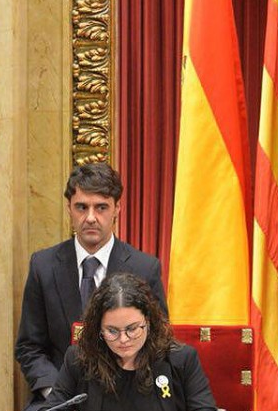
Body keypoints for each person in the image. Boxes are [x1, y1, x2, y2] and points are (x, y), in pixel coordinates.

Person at [16, 163, 169, 409]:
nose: (90, 218)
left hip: (124, 398)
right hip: (57, 397)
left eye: (101, 208)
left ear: (117, 208)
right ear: (69, 209)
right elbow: (29, 347)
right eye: (81, 207)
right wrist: (59, 392)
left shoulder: (144, 268)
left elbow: (158, 344)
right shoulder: (42, 266)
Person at [37, 272, 217, 411]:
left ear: (147, 321)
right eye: (112, 331)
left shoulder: (181, 360)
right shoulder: (79, 359)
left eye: (132, 329)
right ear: (99, 327)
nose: (123, 340)